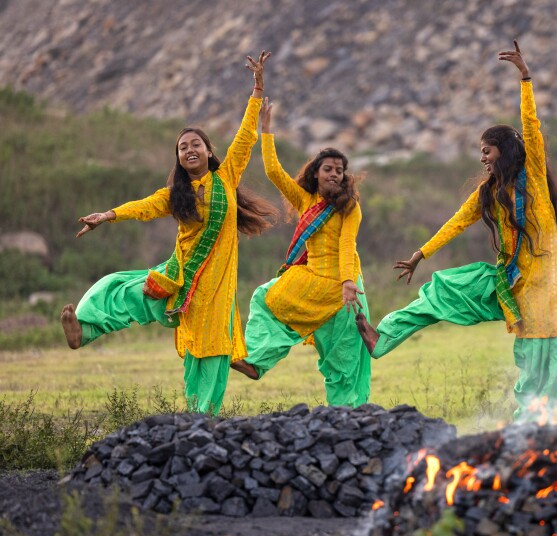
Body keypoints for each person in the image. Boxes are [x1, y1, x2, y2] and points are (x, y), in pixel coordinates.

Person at [356, 41, 557, 419]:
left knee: (539, 353)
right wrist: (420, 254)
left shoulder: (534, 177)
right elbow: (457, 221)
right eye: (480, 151)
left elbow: (532, 128)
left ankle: (537, 421)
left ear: (504, 151)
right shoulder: (489, 192)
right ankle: (384, 337)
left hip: (547, 281)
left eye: (487, 150)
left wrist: (525, 78)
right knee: (444, 289)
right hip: (507, 277)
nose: (482, 157)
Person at [60, 51, 277, 415]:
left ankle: (200, 416)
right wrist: (108, 215)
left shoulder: (226, 178)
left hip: (214, 292)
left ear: (209, 152)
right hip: (178, 280)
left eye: (196, 144)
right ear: (178, 158)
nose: (189, 150)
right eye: (182, 147)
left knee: (208, 354)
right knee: (121, 288)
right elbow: (144, 205)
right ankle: (84, 329)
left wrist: (256, 90)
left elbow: (244, 138)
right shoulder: (175, 196)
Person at [229, 97, 371, 408]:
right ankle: (255, 361)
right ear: (316, 173)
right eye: (328, 169)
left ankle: (348, 417)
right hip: (313, 280)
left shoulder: (349, 207)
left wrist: (348, 282)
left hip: (342, 286)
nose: (334, 174)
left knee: (343, 355)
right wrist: (266, 130)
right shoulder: (305, 200)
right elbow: (273, 172)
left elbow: (348, 245)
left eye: (339, 170)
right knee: (266, 298)